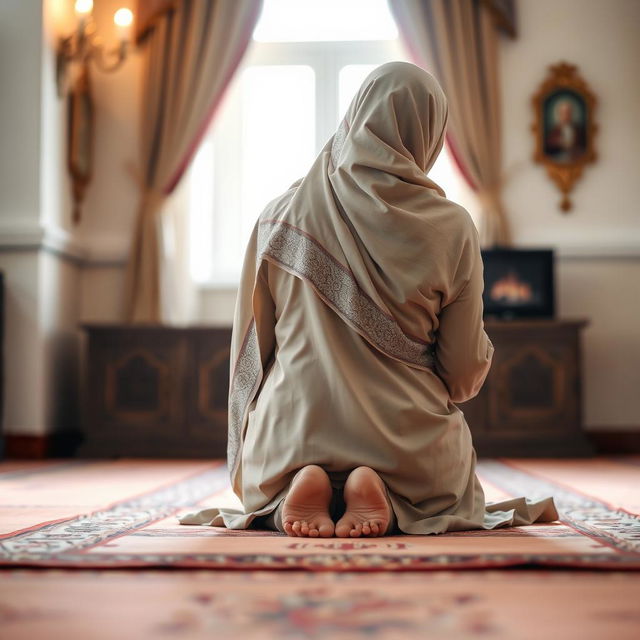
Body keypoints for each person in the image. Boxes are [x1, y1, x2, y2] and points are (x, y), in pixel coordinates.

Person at [179, 62, 558, 538]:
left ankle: (297, 484)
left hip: (288, 435)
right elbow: (461, 374)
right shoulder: (452, 227)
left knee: (274, 461)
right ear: (430, 132)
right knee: (439, 494)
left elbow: (254, 352)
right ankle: (384, 490)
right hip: (408, 447)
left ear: (356, 116)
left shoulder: (279, 215)